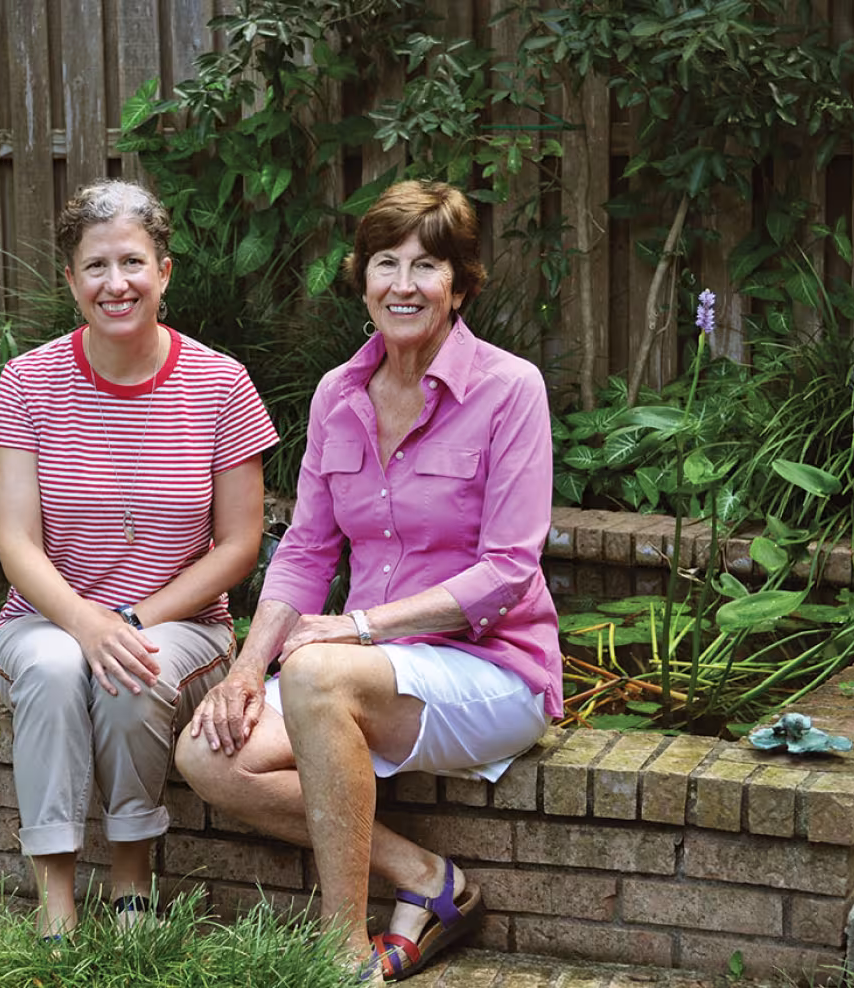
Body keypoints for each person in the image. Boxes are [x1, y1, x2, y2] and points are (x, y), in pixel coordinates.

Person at [177, 180, 562, 983]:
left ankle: (339, 952)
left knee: (316, 670)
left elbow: (509, 571)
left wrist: (356, 630)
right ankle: (427, 878)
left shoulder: (509, 389)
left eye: (427, 265)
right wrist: (247, 671)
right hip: (361, 674)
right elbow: (308, 549)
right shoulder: (337, 395)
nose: (403, 284)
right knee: (208, 755)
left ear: (460, 284)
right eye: (385, 262)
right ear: (361, 277)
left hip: (490, 671)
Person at [0, 179, 278, 939]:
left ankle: (131, 875)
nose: (114, 284)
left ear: (165, 272)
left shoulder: (222, 384)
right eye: (94, 266)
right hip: (47, 617)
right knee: (55, 668)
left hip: (179, 621)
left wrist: (131, 619)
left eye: (132, 262)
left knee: (133, 666)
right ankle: (54, 898)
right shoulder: (28, 381)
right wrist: (85, 624)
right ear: (71, 280)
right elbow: (15, 540)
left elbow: (241, 544)